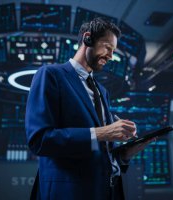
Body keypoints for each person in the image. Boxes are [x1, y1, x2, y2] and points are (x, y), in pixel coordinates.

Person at [25, 18, 152, 200]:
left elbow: (100, 152)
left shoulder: (102, 91)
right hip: (69, 193)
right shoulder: (51, 75)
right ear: (88, 39)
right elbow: (39, 140)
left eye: (113, 51)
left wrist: (125, 153)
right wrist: (101, 133)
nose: (110, 56)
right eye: (107, 47)